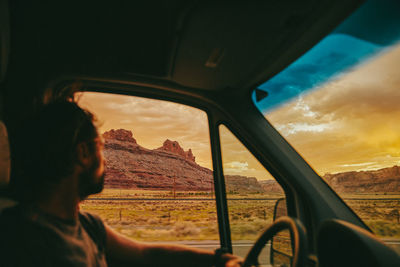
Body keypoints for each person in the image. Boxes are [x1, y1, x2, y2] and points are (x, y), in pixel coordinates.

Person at [0, 100, 243, 267]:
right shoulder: (23, 242)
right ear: (83, 153)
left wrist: (216, 260)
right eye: (101, 148)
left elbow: (147, 253)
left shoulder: (86, 224)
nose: (105, 161)